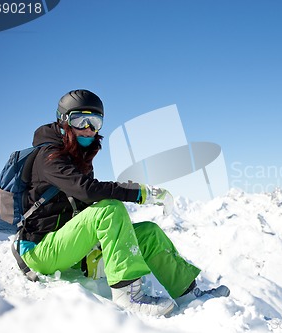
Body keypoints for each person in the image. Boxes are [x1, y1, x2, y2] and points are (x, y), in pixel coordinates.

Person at [17, 89, 229, 316]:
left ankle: (187, 294)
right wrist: (139, 192)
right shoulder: (49, 157)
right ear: (63, 121)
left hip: (70, 246)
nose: (89, 128)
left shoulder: (79, 159)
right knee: (110, 209)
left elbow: (83, 207)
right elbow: (87, 191)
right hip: (40, 251)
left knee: (148, 231)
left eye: (95, 122)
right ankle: (128, 296)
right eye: (80, 120)